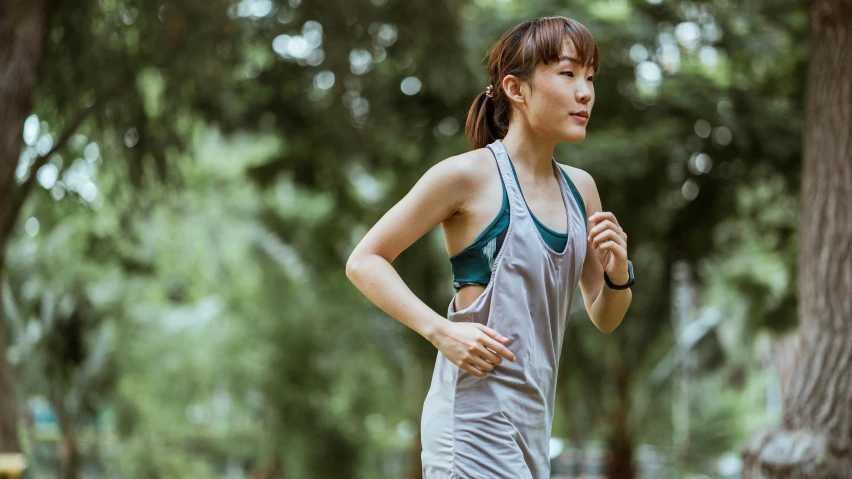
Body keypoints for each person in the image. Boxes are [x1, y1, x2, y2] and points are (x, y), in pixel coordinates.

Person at [346, 15, 633, 479]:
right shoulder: (466, 176)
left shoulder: (583, 190)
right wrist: (441, 331)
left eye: (590, 77)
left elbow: (605, 316)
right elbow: (364, 261)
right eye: (567, 73)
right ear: (516, 90)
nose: (585, 92)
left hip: (533, 428)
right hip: (471, 420)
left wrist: (619, 270)